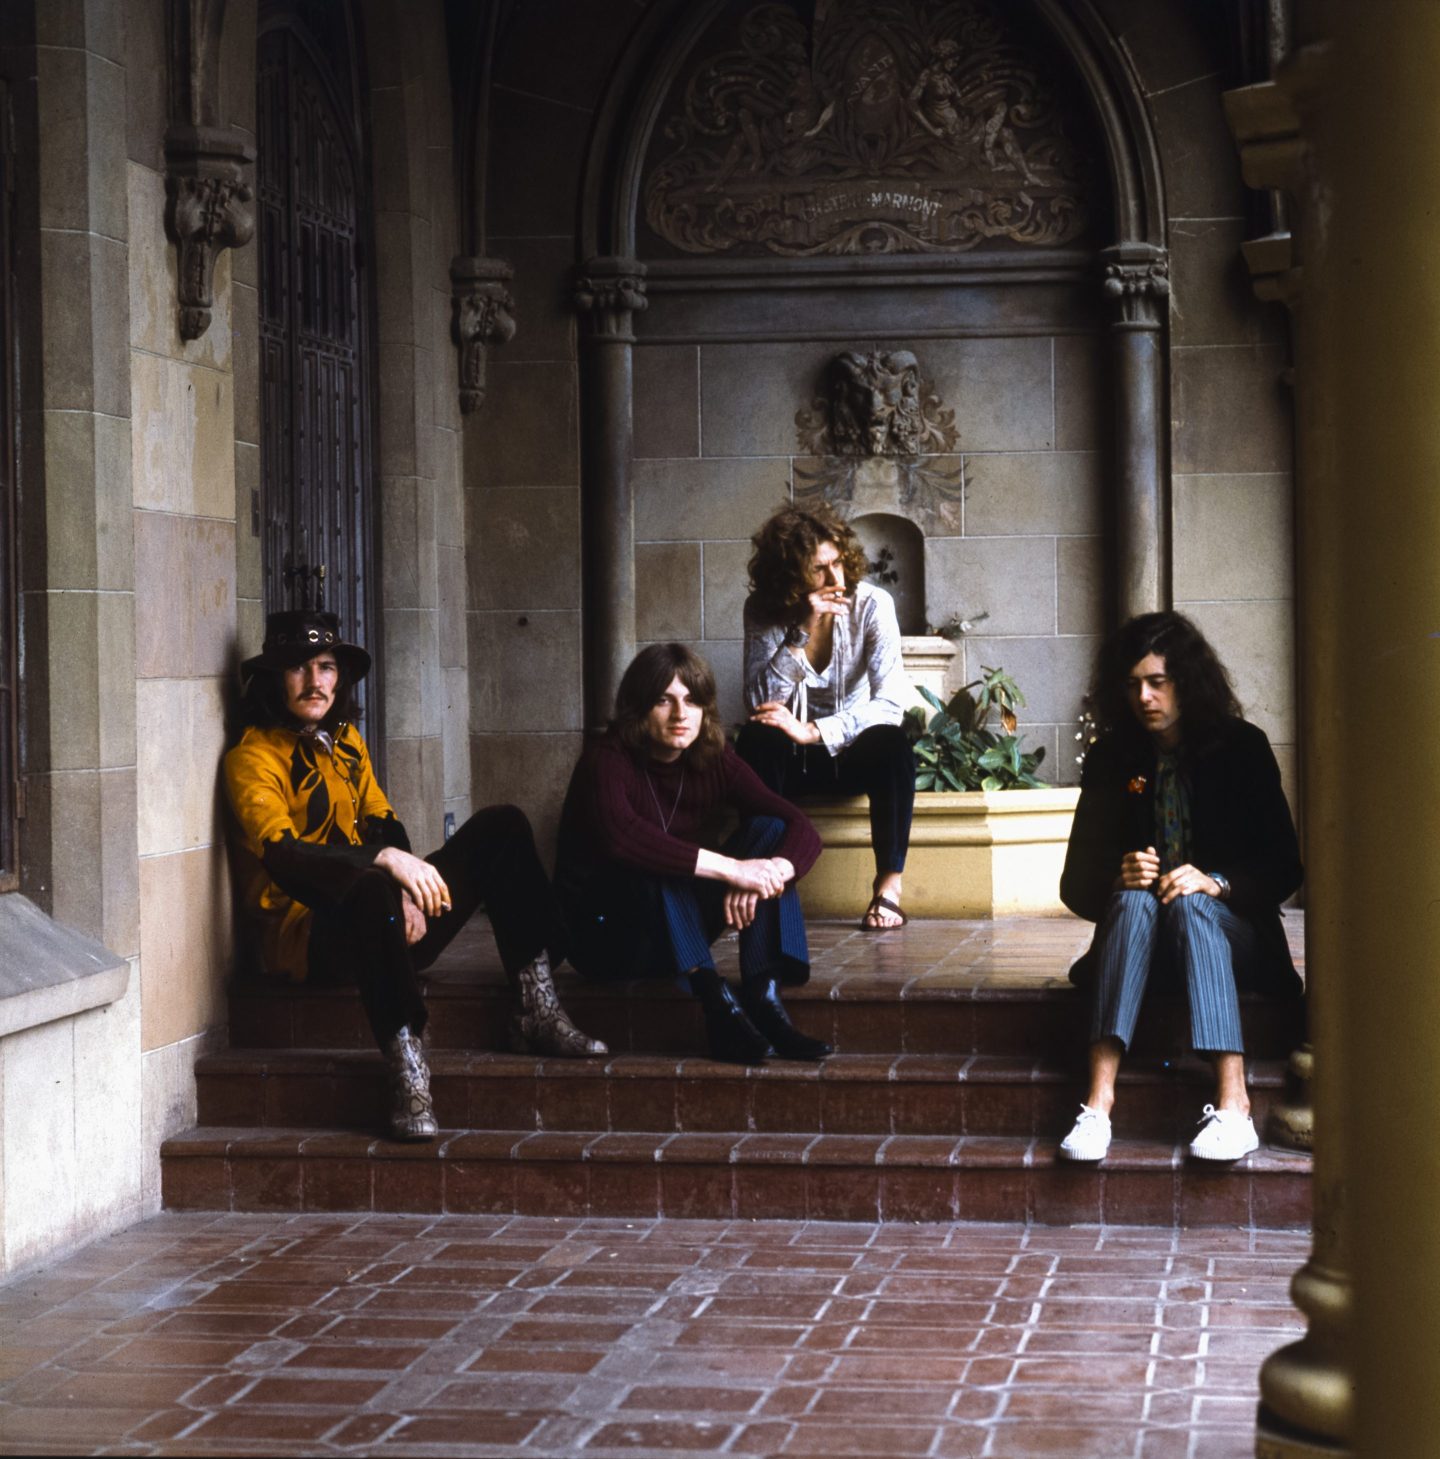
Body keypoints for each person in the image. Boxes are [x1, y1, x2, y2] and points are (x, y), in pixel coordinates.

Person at [224, 608, 606, 1144]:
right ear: (273, 678)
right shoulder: (252, 757)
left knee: (502, 826)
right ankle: (407, 1066)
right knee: (373, 883)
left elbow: (382, 820)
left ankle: (535, 1008)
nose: (316, 681)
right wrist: (383, 865)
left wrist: (404, 886)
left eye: (327, 667)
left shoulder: (345, 740)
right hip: (309, 940)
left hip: (388, 921)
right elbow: (285, 855)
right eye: (298, 667)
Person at [1057, 611, 1304, 1163]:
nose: (1144, 697)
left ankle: (1234, 1106)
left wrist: (1217, 883)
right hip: (1142, 943)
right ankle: (1097, 1106)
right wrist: (1116, 876)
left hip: (1231, 938)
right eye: (1132, 685)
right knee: (1131, 899)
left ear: (1187, 682)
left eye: (1157, 682)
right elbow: (1074, 884)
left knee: (1192, 903)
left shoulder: (1242, 748)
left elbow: (1285, 866)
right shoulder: (1112, 758)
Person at [555, 642, 828, 1065]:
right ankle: (717, 1005)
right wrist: (734, 870)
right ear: (638, 708)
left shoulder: (713, 757)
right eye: (664, 701)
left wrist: (770, 870)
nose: (681, 714)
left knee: (770, 831)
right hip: (606, 937)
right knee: (656, 855)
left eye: (692, 700)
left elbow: (799, 826)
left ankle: (763, 997)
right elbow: (622, 839)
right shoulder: (605, 761)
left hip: (676, 929)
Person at [737, 503, 915, 929]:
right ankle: (765, 879)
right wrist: (800, 631)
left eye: (838, 563)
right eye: (819, 569)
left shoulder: (873, 605)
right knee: (758, 738)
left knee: (893, 742)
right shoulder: (763, 610)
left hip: (850, 753)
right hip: (791, 764)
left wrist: (813, 730)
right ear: (789, 575)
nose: (836, 579)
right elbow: (758, 701)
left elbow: (891, 703)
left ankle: (889, 887)